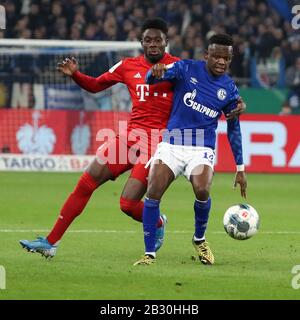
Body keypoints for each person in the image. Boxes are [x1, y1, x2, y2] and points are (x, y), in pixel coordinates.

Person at [20, 19, 245, 259]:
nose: (153, 44)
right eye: (148, 40)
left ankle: (157, 222)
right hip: (129, 137)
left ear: (166, 42)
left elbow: (208, 88)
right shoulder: (127, 66)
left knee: (127, 204)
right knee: (87, 180)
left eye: (158, 40)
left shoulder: (180, 68)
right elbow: (96, 85)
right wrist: (76, 75)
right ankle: (51, 242)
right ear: (141, 43)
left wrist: (237, 103)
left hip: (158, 143)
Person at [134, 34, 247, 266]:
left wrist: (240, 167)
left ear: (231, 59)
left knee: (202, 189)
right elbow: (154, 78)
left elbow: (234, 130)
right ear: (206, 55)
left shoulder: (230, 89)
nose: (221, 62)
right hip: (173, 143)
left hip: (201, 147)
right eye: (216, 56)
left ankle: (199, 239)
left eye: (226, 58)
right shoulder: (186, 68)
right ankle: (149, 254)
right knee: (153, 190)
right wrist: (153, 73)